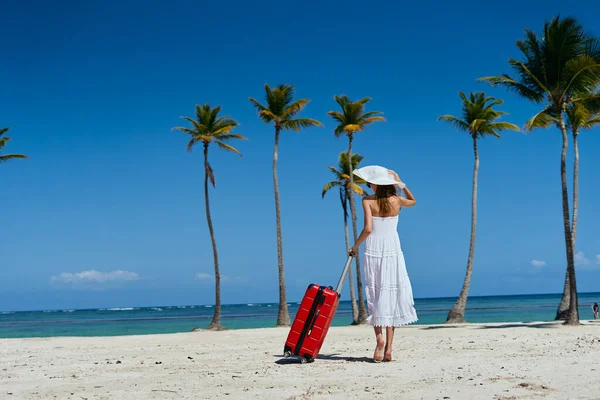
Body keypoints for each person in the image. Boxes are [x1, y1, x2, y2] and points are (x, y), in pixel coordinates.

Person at [348, 165, 418, 363]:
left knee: (376, 295)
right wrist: (401, 183)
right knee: (391, 297)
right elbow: (413, 201)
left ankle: (378, 340)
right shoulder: (396, 200)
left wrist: (355, 246)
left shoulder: (368, 201)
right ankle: (388, 349)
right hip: (393, 251)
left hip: (374, 250)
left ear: (375, 184)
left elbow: (368, 229)